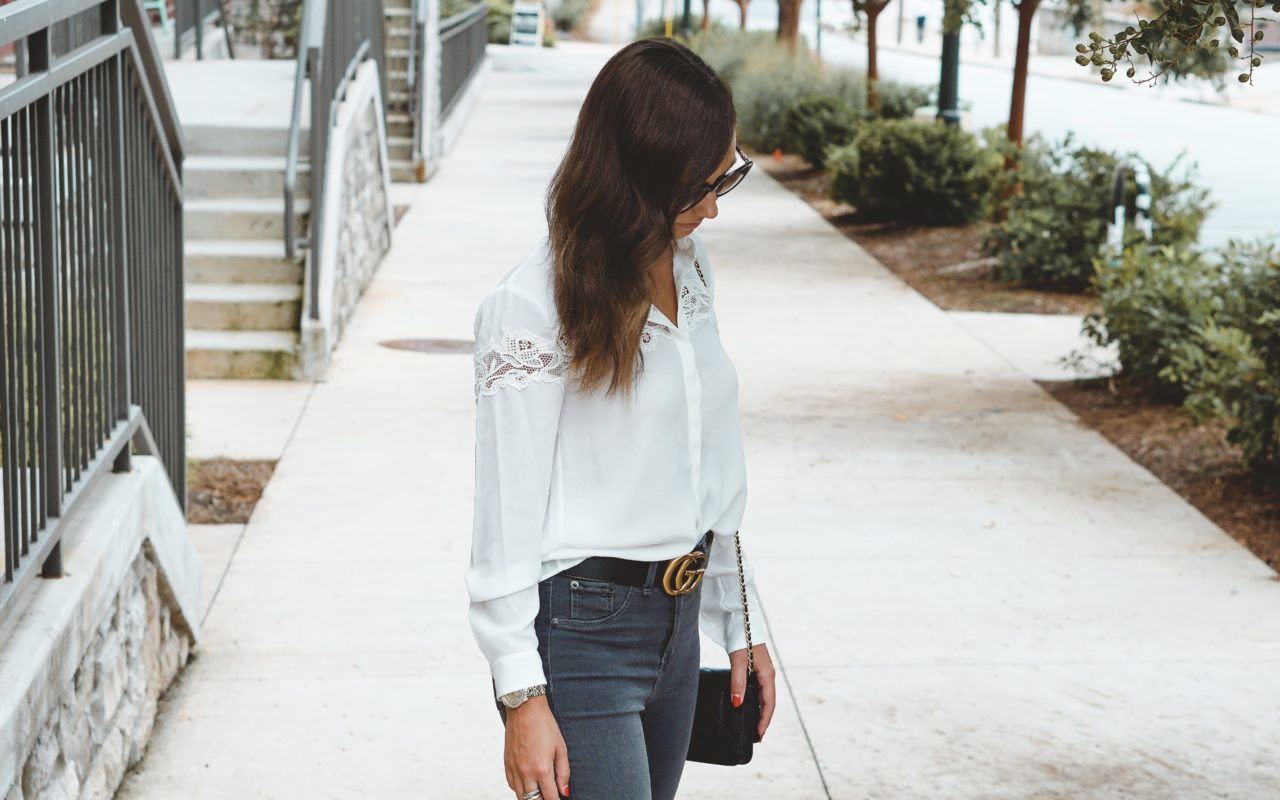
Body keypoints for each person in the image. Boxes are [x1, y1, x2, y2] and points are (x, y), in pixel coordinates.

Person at [467, 39, 776, 800]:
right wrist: (520, 694)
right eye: (701, 187)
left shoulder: (690, 267)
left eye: (726, 177)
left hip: (678, 623)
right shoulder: (530, 308)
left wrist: (742, 624)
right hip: (585, 632)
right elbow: (505, 520)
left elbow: (706, 461)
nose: (713, 206)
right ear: (640, 183)